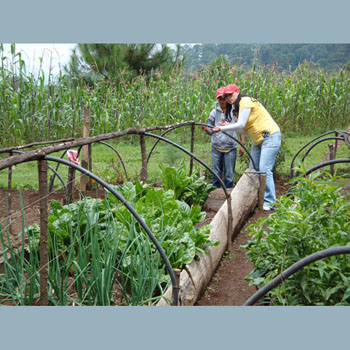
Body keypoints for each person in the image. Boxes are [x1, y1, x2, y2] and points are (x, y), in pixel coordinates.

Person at [213, 84, 281, 210]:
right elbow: (243, 131)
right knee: (252, 171)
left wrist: (222, 128)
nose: (228, 98)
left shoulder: (245, 101)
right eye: (226, 96)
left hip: (270, 137)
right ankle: (253, 198)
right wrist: (228, 125)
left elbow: (241, 124)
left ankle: (270, 202)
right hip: (258, 141)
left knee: (264, 169)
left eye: (230, 95)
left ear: (237, 92)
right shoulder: (238, 109)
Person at [202, 86, 245, 189]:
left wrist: (242, 144)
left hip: (230, 147)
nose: (222, 101)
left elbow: (240, 127)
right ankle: (215, 192)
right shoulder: (213, 113)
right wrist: (207, 130)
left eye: (224, 98)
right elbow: (211, 130)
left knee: (229, 175)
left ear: (227, 98)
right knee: (216, 173)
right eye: (220, 98)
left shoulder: (234, 112)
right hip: (216, 146)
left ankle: (228, 194)